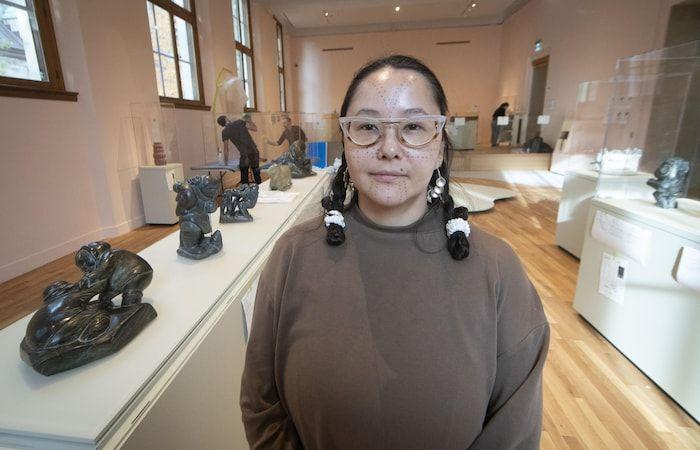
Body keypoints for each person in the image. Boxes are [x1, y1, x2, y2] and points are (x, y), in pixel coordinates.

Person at [240, 55, 549, 450]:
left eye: (414, 127)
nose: (389, 148)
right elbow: (261, 403)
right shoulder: (294, 255)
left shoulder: (497, 268)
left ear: (439, 145)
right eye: (368, 126)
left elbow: (514, 430)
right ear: (346, 140)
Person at [217, 114, 262, 184]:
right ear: (226, 119)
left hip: (245, 155)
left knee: (244, 178)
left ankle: (246, 192)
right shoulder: (239, 122)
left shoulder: (225, 132)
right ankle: (260, 192)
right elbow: (255, 129)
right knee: (257, 176)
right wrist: (250, 121)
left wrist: (226, 162)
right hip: (254, 151)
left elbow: (226, 148)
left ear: (221, 125)